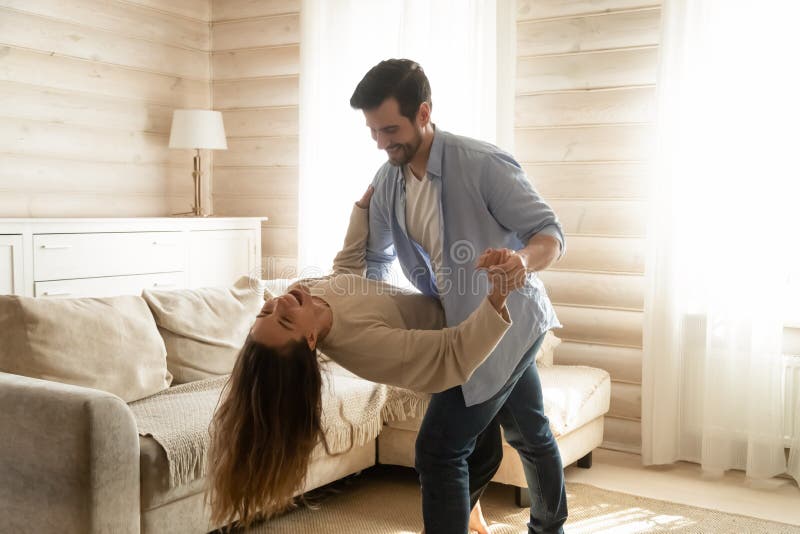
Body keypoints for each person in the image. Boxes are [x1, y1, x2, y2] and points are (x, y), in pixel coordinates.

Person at [206, 187, 525, 531]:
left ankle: (468, 512)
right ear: (311, 339)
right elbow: (453, 355)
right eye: (284, 320)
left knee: (488, 451)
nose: (279, 303)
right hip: (465, 355)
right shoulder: (365, 346)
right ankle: (463, 518)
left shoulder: (308, 291)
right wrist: (497, 295)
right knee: (466, 455)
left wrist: (361, 209)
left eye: (265, 311)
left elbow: (344, 272)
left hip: (463, 325)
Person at [350, 58, 568, 533]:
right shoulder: (389, 181)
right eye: (373, 132)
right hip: (460, 331)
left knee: (440, 448)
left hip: (511, 320)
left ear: (424, 113)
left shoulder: (481, 163)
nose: (382, 143)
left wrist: (521, 262)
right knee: (529, 430)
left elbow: (549, 233)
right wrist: (366, 324)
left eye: (390, 129)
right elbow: (376, 261)